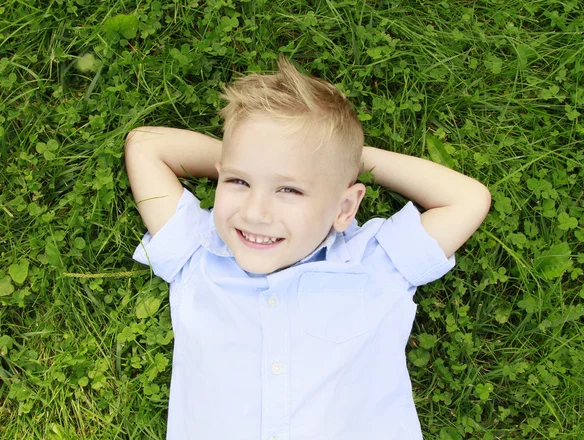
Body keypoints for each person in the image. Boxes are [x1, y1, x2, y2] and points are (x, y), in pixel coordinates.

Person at [124, 56, 491, 440]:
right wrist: (262, 153)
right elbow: (146, 146)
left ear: (345, 207)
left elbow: (467, 199)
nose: (255, 212)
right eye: (238, 181)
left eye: (290, 189)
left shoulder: (374, 263)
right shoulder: (199, 254)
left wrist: (348, 161)